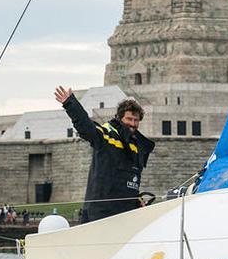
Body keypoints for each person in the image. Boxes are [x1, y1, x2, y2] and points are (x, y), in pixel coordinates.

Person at [54, 86, 154, 224]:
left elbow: (130, 181)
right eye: (129, 119)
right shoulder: (107, 135)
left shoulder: (137, 146)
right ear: (119, 118)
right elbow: (86, 127)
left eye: (136, 120)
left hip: (127, 213)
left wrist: (137, 201)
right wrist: (70, 103)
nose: (133, 124)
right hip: (101, 212)